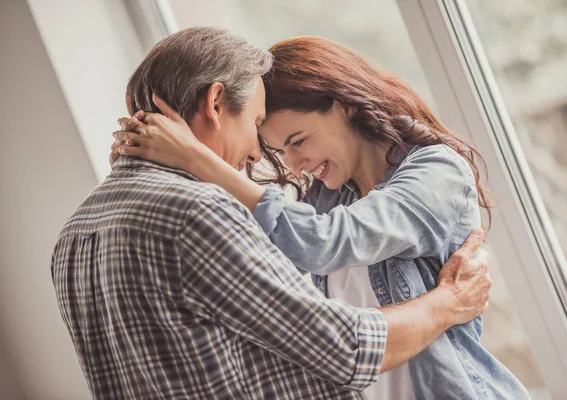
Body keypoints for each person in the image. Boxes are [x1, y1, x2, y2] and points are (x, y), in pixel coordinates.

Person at [51, 27, 489, 400]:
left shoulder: (74, 235)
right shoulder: (197, 215)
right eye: (256, 122)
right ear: (216, 103)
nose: (257, 153)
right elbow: (346, 347)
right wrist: (449, 303)